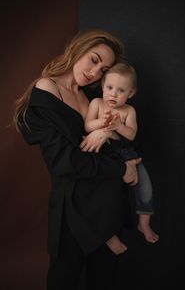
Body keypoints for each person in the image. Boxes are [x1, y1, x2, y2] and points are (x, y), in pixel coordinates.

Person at [12, 29, 141, 290]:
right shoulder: (47, 89)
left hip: (106, 207)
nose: (95, 73)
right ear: (77, 49)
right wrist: (120, 168)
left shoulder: (92, 99)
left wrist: (106, 131)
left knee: (104, 281)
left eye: (103, 69)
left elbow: (113, 140)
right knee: (64, 280)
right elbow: (65, 161)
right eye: (94, 60)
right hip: (73, 211)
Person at [84, 62, 159, 243]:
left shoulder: (128, 111)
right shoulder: (96, 103)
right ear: (103, 86)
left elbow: (132, 134)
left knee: (145, 186)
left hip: (125, 152)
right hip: (103, 154)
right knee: (106, 195)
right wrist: (101, 122)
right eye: (109, 87)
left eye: (121, 90)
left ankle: (144, 223)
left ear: (130, 94)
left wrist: (119, 126)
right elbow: (87, 125)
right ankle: (107, 234)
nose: (113, 94)